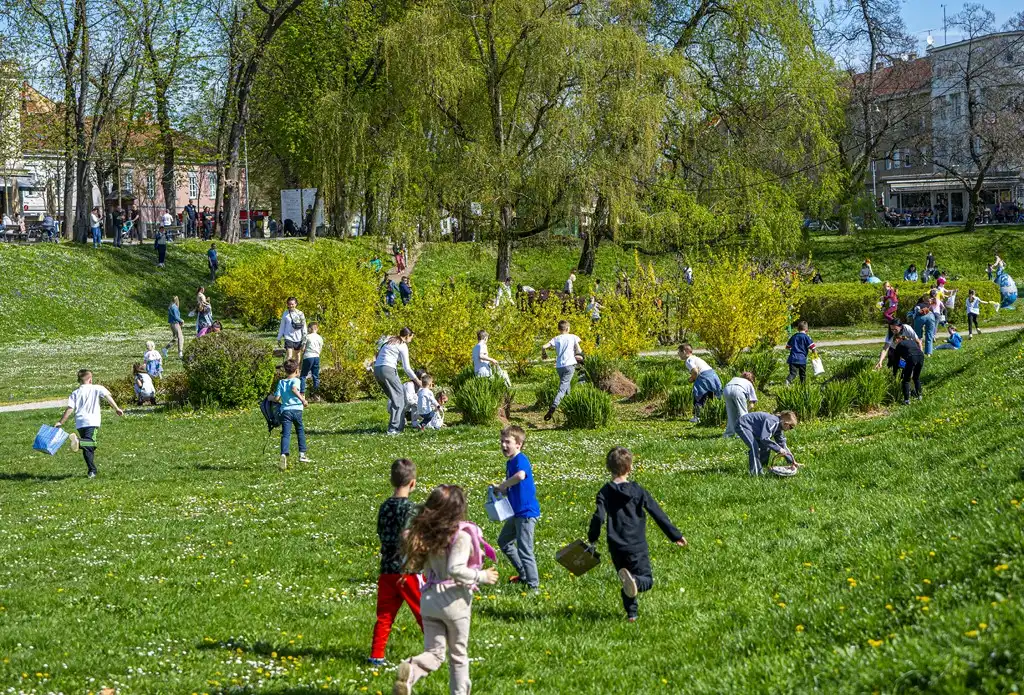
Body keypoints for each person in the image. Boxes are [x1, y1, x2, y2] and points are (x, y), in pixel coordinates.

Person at [392, 485, 499, 695]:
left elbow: (418, 565)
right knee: (458, 655)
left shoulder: (427, 535)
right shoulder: (461, 536)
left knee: (434, 653)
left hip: (429, 600)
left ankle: (410, 672)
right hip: (454, 602)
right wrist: (482, 576)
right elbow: (455, 569)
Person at [586, 446, 687, 622]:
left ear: (608, 468)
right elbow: (657, 512)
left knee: (627, 583)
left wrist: (592, 539)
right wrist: (675, 535)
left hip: (616, 546)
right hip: (636, 545)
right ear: (630, 467)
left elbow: (598, 517)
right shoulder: (638, 490)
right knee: (645, 580)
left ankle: (632, 614)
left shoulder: (605, 491)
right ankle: (635, 582)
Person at [369, 458, 424, 666]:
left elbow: (381, 532)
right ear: (413, 483)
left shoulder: (384, 506)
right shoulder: (410, 508)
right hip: (408, 570)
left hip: (387, 570)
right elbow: (408, 536)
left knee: (384, 615)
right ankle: (436, 650)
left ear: (392, 481)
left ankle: (376, 656)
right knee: (424, 611)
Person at [493, 425, 540, 590]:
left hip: (526, 513)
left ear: (518, 444)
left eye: (508, 442)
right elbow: (512, 487)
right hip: (516, 512)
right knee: (504, 541)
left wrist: (504, 484)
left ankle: (534, 587)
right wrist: (500, 490)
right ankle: (524, 574)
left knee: (525, 550)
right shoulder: (510, 462)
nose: (503, 445)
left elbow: (520, 476)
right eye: (502, 441)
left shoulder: (521, 460)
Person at [55, 369, 124, 478]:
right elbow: (108, 397)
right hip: (92, 421)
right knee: (92, 443)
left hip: (80, 423)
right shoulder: (97, 388)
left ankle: (92, 471)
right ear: (90, 379)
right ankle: (78, 441)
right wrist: (116, 408)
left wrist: (60, 422)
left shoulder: (75, 392)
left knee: (88, 447)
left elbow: (70, 408)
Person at [374, 328, 422, 435]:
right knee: (400, 398)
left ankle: (399, 426)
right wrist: (418, 381)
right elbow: (407, 368)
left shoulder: (389, 341)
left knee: (395, 398)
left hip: (377, 370)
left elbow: (378, 354)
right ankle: (393, 429)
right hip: (388, 370)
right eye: (411, 337)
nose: (411, 339)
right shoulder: (402, 345)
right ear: (407, 336)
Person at [271, 359, 310, 471]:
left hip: (285, 411)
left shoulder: (281, 382)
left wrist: (270, 398)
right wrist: (303, 400)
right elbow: (294, 389)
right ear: (297, 370)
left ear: (285, 371)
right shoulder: (297, 381)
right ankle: (302, 454)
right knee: (300, 431)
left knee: (286, 434)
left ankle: (283, 454)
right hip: (297, 410)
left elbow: (277, 398)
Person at [540, 320, 582, 421]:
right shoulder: (572, 337)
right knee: (562, 389)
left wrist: (544, 353)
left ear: (559, 329)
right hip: (570, 365)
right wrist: (579, 356)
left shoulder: (556, 338)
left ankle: (569, 409)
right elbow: (579, 351)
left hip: (559, 366)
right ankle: (553, 407)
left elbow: (544, 346)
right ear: (567, 328)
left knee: (567, 387)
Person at [736, 411, 799, 477]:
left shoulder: (780, 427)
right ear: (786, 424)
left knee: (767, 446)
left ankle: (762, 467)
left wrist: (793, 462)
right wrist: (778, 449)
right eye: (791, 427)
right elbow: (764, 438)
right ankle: (756, 474)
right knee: (754, 447)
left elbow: (782, 445)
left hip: (755, 429)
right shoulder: (773, 422)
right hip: (743, 424)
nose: (790, 429)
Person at [678, 343, 721, 424]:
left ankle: (697, 417)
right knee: (711, 395)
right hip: (713, 375)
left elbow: (695, 371)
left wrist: (692, 379)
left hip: (703, 376)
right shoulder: (696, 358)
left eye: (679, 352)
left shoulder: (689, 360)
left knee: (699, 395)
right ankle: (713, 415)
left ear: (684, 352)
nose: (678, 354)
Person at [889, 334, 923, 404]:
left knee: (906, 380)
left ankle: (906, 400)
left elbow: (896, 362)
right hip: (921, 356)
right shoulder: (912, 341)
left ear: (897, 339)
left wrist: (894, 374)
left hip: (912, 357)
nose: (895, 343)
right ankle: (919, 396)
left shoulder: (899, 345)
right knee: (916, 378)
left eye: (895, 341)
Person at [723, 371, 758, 438]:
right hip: (739, 390)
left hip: (726, 389)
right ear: (752, 380)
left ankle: (728, 434)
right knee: (743, 415)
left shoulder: (735, 378)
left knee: (731, 414)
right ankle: (743, 434)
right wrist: (744, 410)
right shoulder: (749, 383)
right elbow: (752, 404)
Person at [276, 297, 307, 363]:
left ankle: (297, 370)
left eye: (292, 304)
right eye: (289, 304)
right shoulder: (285, 314)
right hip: (288, 336)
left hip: (298, 337)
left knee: (297, 355)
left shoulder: (300, 314)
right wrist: (279, 337)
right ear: (287, 304)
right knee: (289, 355)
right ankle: (289, 371)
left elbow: (304, 326)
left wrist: (304, 338)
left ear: (296, 304)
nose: (291, 306)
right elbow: (282, 326)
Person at [785, 320, 816, 384]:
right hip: (802, 359)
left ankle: (788, 380)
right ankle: (803, 385)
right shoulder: (806, 337)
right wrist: (814, 353)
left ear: (797, 328)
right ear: (806, 329)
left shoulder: (793, 336)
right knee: (802, 374)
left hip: (792, 358)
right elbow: (812, 347)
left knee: (793, 373)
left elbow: (787, 347)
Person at [300, 322, 323, 396]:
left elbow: (303, 349)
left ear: (310, 328)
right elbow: (320, 348)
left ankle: (302, 393)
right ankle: (316, 394)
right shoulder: (319, 337)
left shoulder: (307, 337)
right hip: (316, 357)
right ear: (317, 328)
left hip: (308, 356)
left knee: (303, 375)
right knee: (315, 376)